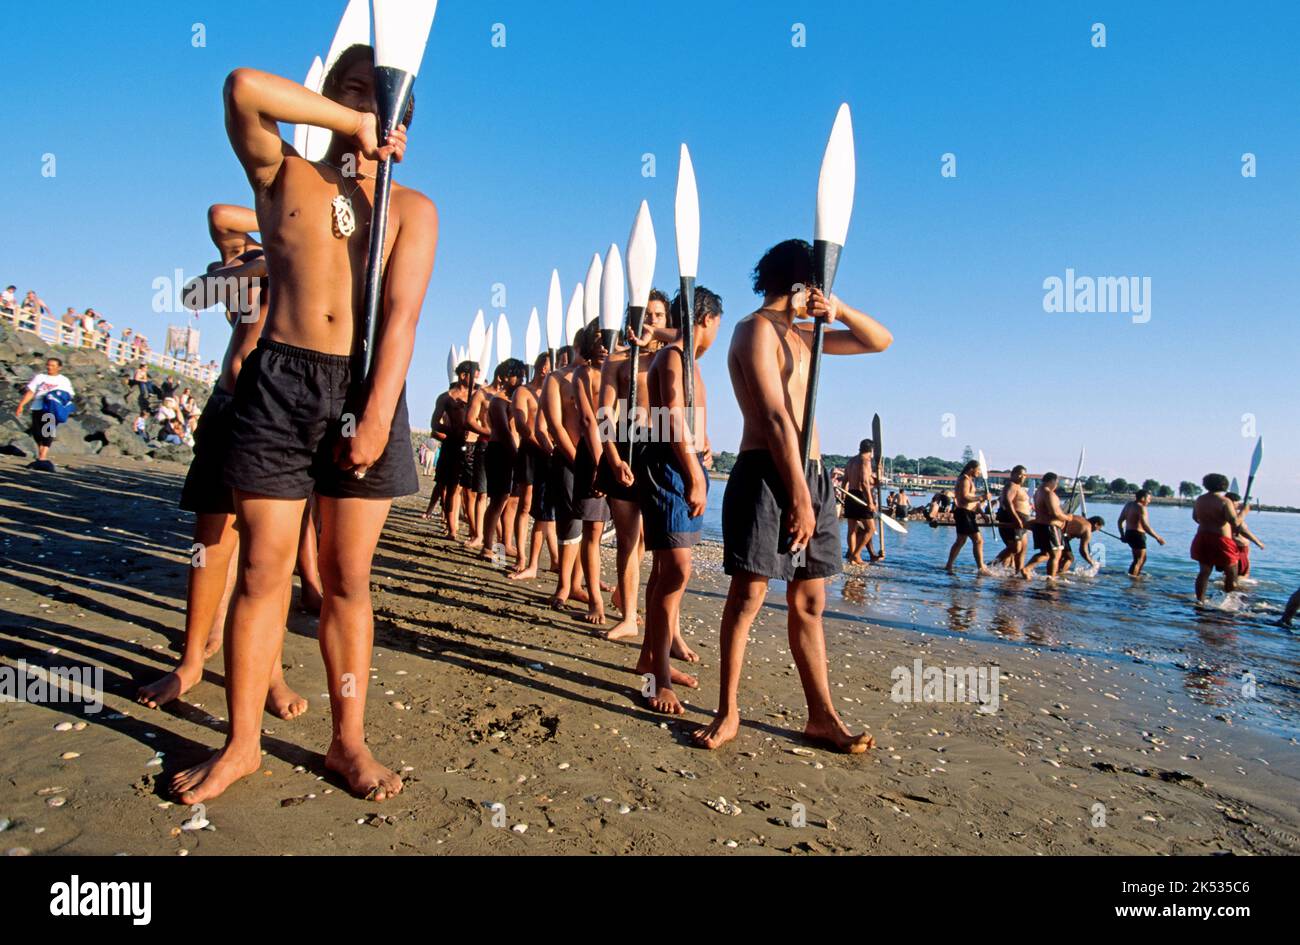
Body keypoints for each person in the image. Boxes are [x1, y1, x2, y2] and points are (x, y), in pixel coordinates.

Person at [171, 45, 437, 806]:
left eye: (377, 100)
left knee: (348, 580)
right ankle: (244, 742)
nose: (361, 107)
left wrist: (380, 413)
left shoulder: (411, 209)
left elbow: (401, 321)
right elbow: (245, 88)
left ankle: (347, 740)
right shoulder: (282, 175)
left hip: (361, 385)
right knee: (262, 570)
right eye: (347, 92)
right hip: (280, 379)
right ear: (327, 100)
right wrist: (352, 118)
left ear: (400, 122)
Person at [693, 238, 891, 753]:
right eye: (818, 286)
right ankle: (728, 711)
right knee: (748, 595)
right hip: (768, 475)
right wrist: (799, 497)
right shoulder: (753, 330)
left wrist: (839, 309)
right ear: (802, 284)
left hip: (814, 476)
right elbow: (777, 417)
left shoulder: (806, 333)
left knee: (809, 600)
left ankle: (821, 716)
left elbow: (880, 341)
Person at [137, 204, 307, 719]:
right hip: (230, 401)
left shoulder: (312, 255)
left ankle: (270, 671)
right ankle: (191, 659)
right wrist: (283, 225)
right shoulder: (258, 255)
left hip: (278, 409)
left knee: (269, 552)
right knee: (209, 538)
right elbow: (219, 216)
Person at [635, 285, 721, 712]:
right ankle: (656, 679)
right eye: (716, 326)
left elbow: (689, 417)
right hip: (670, 466)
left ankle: (649, 661)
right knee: (676, 572)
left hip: (683, 463)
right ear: (706, 320)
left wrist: (704, 446)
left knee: (666, 572)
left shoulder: (684, 359)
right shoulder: (672, 359)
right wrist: (694, 476)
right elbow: (670, 418)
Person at [595, 291, 669, 641]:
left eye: (658, 315)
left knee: (661, 544)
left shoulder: (674, 357)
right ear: (634, 322)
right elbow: (604, 413)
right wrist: (611, 456)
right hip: (626, 444)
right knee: (628, 539)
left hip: (664, 443)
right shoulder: (618, 361)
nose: (652, 321)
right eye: (646, 316)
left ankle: (667, 625)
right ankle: (628, 616)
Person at [571, 323, 613, 624]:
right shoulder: (583, 374)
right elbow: (589, 420)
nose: (602, 345)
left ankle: (623, 595)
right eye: (596, 340)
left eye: (606, 338)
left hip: (619, 453)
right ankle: (595, 600)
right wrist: (602, 463)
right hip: (594, 456)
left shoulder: (620, 369)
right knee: (594, 529)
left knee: (630, 532)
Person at [508, 352, 553, 578]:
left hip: (551, 452)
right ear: (536, 367)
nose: (546, 370)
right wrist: (543, 446)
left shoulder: (554, 391)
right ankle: (521, 557)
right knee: (525, 505)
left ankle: (554, 559)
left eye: (549, 366)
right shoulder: (522, 392)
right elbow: (522, 426)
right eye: (543, 366)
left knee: (548, 509)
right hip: (531, 452)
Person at [480, 359, 525, 561]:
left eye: (523, 375)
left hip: (515, 451)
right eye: (518, 375)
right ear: (506, 377)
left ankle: (506, 543)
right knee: (498, 500)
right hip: (500, 451)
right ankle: (488, 546)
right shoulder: (498, 401)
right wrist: (515, 455)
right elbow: (504, 431)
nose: (521, 379)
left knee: (513, 501)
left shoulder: (518, 398)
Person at [424, 361, 472, 534]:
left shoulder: (477, 396)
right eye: (474, 374)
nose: (476, 378)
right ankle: (452, 528)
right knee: (450, 487)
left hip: (472, 447)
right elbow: (434, 423)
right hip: (452, 446)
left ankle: (475, 531)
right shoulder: (446, 397)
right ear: (462, 376)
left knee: (470, 492)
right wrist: (452, 431)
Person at [1190, 474, 1241, 603]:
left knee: (1204, 572)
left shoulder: (1200, 499)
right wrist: (1244, 512)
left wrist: (1208, 521)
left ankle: (1200, 600)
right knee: (1232, 572)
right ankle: (1227, 600)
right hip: (1221, 539)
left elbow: (1195, 517)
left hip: (1202, 536)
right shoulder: (1225, 501)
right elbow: (1234, 522)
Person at [14, 357, 74, 465]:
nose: (49, 367)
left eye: (52, 365)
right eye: (48, 365)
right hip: (37, 407)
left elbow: (68, 396)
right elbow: (31, 392)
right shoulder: (40, 377)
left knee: (47, 432)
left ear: (59, 367)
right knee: (37, 433)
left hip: (52, 408)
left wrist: (55, 396)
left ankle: (42, 456)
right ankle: (41, 453)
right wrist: (21, 405)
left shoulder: (63, 380)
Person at [943, 460, 990, 574]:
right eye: (978, 470)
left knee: (960, 541)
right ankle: (981, 567)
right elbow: (964, 498)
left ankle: (949, 565)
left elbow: (973, 501)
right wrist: (982, 497)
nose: (979, 473)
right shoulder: (964, 479)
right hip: (963, 513)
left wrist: (983, 514)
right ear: (971, 469)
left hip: (967, 513)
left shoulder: (969, 480)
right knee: (978, 541)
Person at [1020, 472, 1068, 579]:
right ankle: (1051, 578)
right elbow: (1055, 513)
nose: (1056, 486)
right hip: (1050, 527)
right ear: (1052, 481)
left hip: (1040, 525)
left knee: (1046, 554)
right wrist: (1067, 517)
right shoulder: (1048, 493)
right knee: (1056, 555)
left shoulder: (1038, 493)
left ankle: (1027, 568)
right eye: (1056, 483)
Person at [842, 439, 878, 564]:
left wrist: (843, 495)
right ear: (871, 450)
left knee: (851, 529)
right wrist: (870, 502)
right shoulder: (866, 460)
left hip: (850, 494)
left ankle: (853, 556)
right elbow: (864, 482)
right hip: (861, 496)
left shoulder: (851, 460)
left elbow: (845, 479)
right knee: (870, 529)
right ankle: (855, 555)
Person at [1117, 489, 1165, 576]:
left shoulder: (1128, 505)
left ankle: (1134, 576)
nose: (1149, 501)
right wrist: (1157, 537)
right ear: (1143, 498)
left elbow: (1120, 521)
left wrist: (1122, 535)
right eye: (1149, 499)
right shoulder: (1141, 508)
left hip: (1129, 533)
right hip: (1138, 535)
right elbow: (1145, 526)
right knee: (1139, 560)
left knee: (1139, 559)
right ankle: (1133, 579)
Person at [993, 465, 1031, 571]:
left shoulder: (1019, 487)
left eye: (1023, 475)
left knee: (1023, 548)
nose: (1021, 477)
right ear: (1012, 474)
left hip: (1023, 522)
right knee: (1015, 548)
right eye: (1019, 474)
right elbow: (1007, 502)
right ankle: (992, 565)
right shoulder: (1011, 485)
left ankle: (1019, 571)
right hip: (1013, 521)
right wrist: (1016, 519)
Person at [1224, 492, 1265, 579]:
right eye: (1237, 502)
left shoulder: (1226, 514)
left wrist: (1245, 510)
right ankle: (1236, 591)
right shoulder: (1233, 517)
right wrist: (1258, 542)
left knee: (1232, 573)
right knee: (1240, 575)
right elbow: (1243, 530)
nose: (1238, 504)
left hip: (1238, 548)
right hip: (1238, 548)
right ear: (1232, 502)